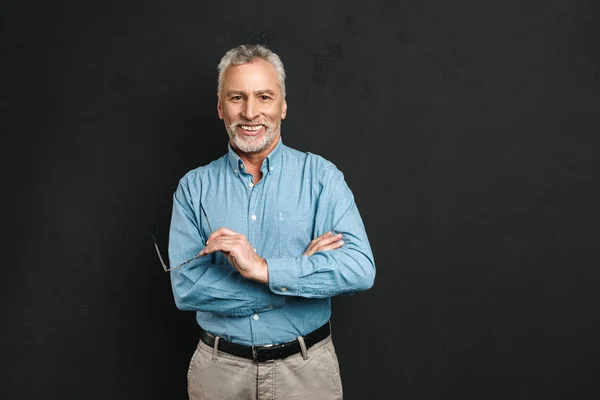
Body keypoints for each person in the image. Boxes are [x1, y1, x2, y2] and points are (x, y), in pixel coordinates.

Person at [168, 43, 376, 400]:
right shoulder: (193, 188)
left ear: (282, 106)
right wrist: (291, 283)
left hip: (306, 373)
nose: (250, 112)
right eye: (237, 97)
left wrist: (263, 268)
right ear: (221, 107)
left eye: (264, 97)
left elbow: (359, 268)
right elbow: (186, 289)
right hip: (219, 374)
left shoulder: (321, 177)